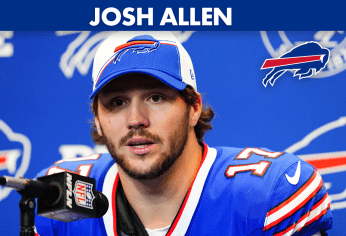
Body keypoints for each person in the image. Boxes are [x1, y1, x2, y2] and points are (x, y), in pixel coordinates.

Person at [35, 32, 332, 236]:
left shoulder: (267, 194)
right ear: (98, 121)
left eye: (156, 98)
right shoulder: (63, 195)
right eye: (117, 103)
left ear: (193, 107)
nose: (136, 120)